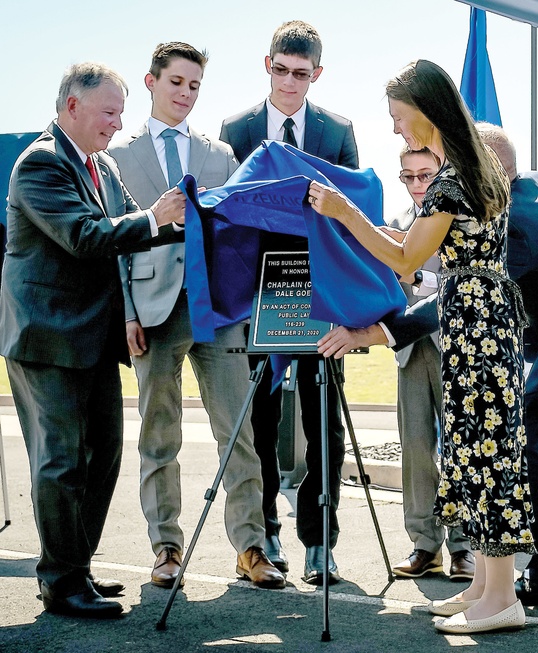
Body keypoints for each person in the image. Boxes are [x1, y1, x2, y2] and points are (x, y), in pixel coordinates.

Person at [319, 124, 538, 609]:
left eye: (460, 162)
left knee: (533, 441)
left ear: (487, 168)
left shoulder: (516, 221)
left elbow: (456, 294)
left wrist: (370, 334)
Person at [309, 60, 532, 635]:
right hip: (481, 320)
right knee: (475, 448)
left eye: (398, 117)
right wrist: (348, 220)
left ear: (425, 111)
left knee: (485, 454)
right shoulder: (473, 170)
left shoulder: (453, 181)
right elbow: (412, 241)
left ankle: (502, 595)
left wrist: (342, 211)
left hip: (475, 324)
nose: (394, 129)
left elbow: (407, 258)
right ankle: (484, 585)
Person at [0, 62, 186, 618]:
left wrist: (194, 219)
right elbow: (85, 236)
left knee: (102, 455)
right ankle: (61, 583)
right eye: (108, 112)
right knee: (59, 463)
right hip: (47, 338)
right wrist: (155, 219)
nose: (116, 123)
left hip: (91, 339)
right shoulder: (41, 165)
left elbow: (134, 224)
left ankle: (74, 568)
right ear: (71, 106)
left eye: (120, 113)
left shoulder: (100, 165)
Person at [109, 42, 284, 591]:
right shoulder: (118, 153)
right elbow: (116, 242)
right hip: (153, 310)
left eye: (194, 86)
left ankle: (251, 548)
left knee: (239, 430)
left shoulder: (219, 155)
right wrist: (127, 313)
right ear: (151, 81)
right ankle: (166, 546)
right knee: (159, 434)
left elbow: (238, 234)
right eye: (177, 83)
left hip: (219, 311)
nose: (186, 94)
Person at [219, 19, 358, 585]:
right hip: (261, 291)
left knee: (323, 417)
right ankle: (266, 531)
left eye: (302, 74)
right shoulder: (235, 129)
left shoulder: (339, 131)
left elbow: (352, 216)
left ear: (316, 75)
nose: (290, 82)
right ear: (267, 65)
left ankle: (319, 541)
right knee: (260, 416)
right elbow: (227, 216)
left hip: (320, 289)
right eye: (281, 70)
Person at [387, 146, 475, 582]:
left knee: (459, 448)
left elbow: (464, 283)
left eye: (425, 174)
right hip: (410, 350)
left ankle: (463, 546)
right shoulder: (396, 224)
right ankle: (425, 544)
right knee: (416, 448)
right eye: (408, 176)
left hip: (452, 347)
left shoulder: (458, 215)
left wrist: (418, 277)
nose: (418, 184)